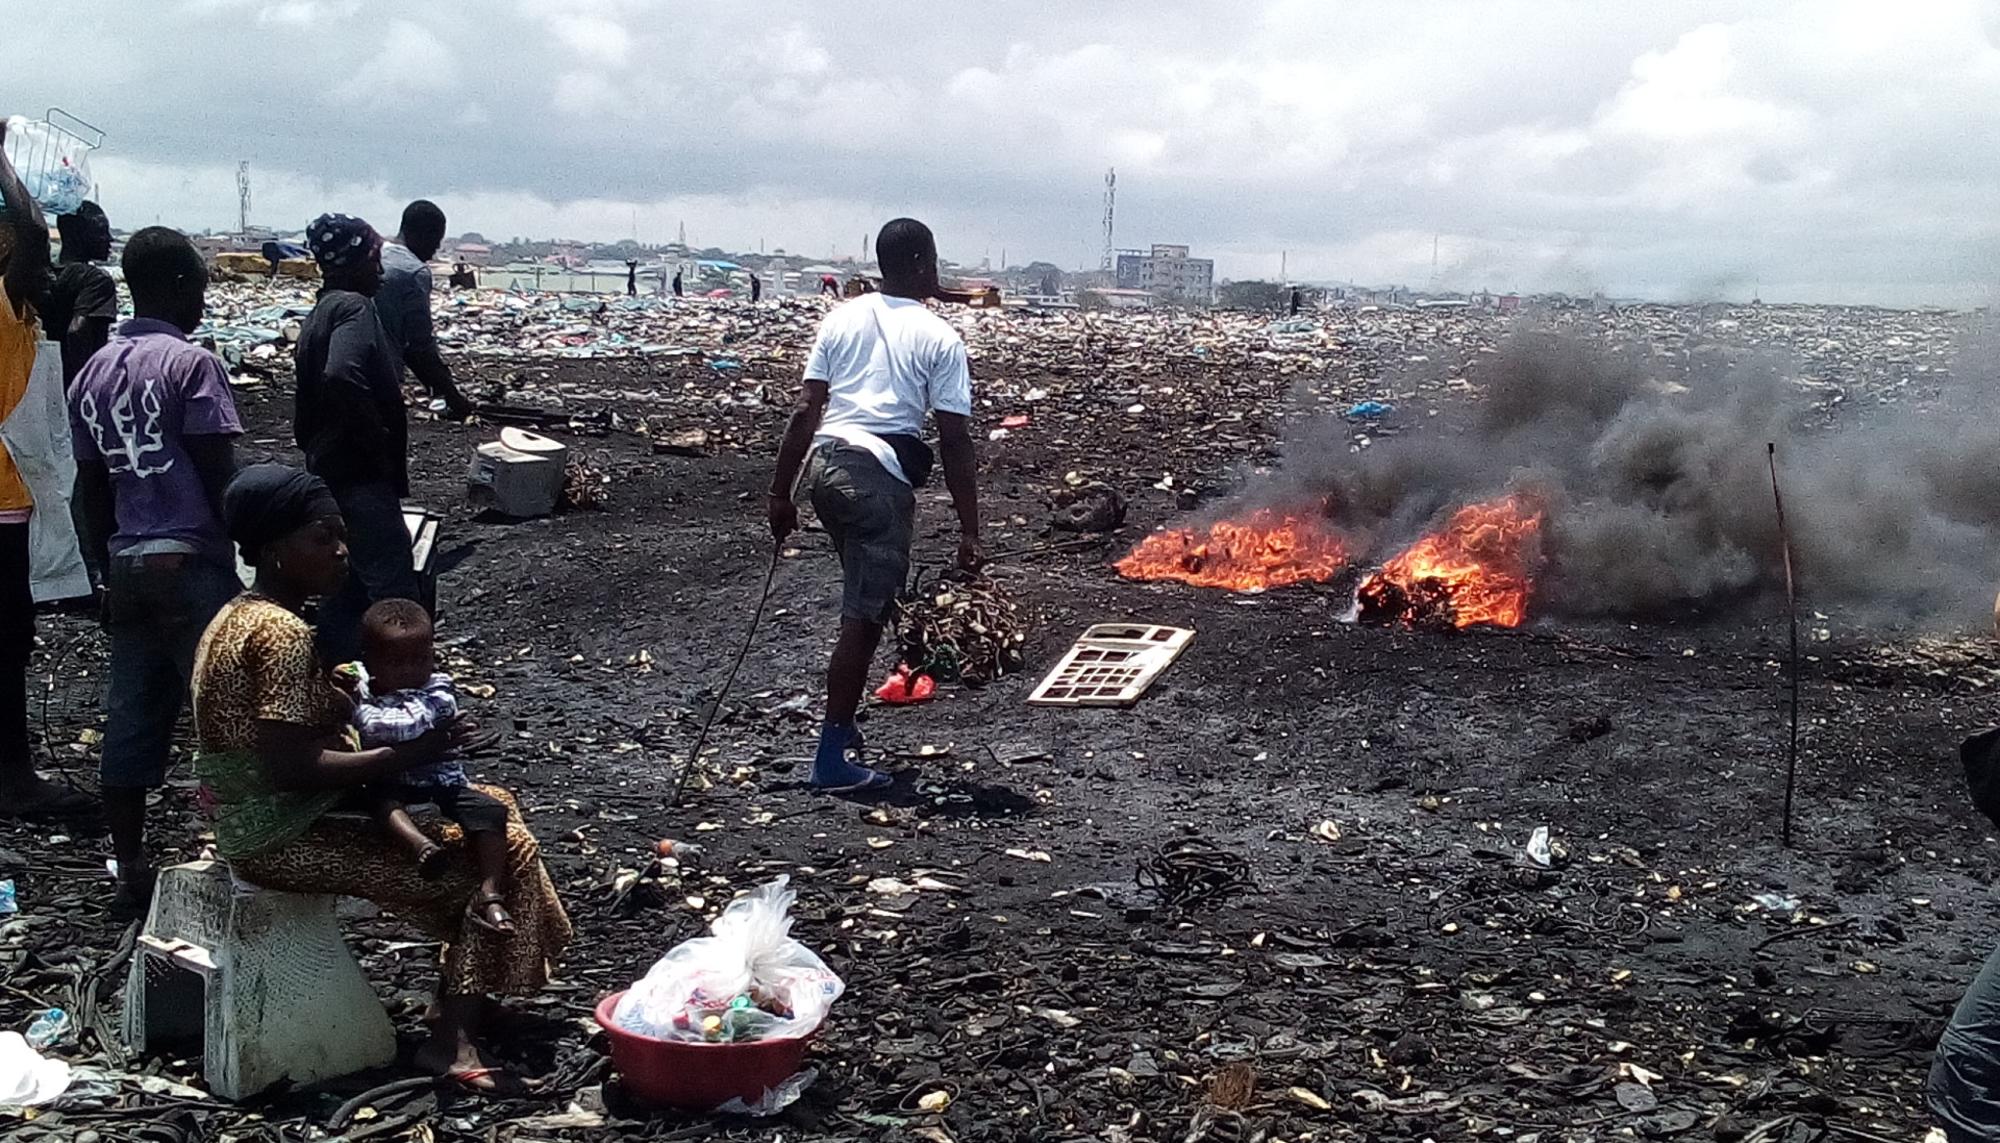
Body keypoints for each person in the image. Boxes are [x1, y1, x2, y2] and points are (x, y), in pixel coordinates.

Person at [193, 464, 571, 1090]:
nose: (341, 549)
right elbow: (293, 766)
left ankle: (471, 998)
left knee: (494, 806)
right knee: (488, 869)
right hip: (279, 834)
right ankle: (453, 1042)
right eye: (321, 537)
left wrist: (342, 698)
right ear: (273, 552)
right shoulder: (281, 632)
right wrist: (412, 753)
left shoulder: (237, 615)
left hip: (255, 816)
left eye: (340, 534)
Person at [767, 218, 980, 793]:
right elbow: (955, 440)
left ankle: (844, 736)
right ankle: (832, 755)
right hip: (876, 480)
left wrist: (780, 494)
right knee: (862, 621)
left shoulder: (841, 317)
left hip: (826, 468)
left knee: (865, 599)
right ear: (920, 265)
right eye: (932, 261)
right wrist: (970, 531)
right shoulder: (940, 338)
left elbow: (805, 411)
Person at [68, 226, 243, 914]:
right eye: (198, 288)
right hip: (190, 559)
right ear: (175, 287)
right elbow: (215, 471)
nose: (201, 302)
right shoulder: (191, 364)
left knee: (132, 713)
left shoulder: (90, 373)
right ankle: (238, 855)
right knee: (224, 715)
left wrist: (101, 570)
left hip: (128, 561)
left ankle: (131, 865)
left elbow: (91, 487)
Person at [0, 118, 90, 816]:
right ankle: (14, 777)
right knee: (7, 641)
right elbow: (32, 236)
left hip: (17, 493)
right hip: (6, 500)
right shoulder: (6, 308)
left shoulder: (19, 311)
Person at [296, 213, 421, 663]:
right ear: (355, 261)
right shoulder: (353, 307)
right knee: (395, 594)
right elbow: (341, 375)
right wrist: (377, 440)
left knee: (346, 589)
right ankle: (407, 705)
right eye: (374, 258)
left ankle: (332, 689)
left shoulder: (320, 310)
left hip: (328, 472)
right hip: (359, 477)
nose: (381, 271)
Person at [347, 598, 514, 933]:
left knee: (491, 812)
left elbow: (389, 727)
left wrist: (365, 710)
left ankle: (490, 891)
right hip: (392, 779)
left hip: (440, 780)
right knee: (381, 802)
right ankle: (420, 846)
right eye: (398, 662)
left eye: (420, 659)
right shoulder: (360, 686)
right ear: (372, 660)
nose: (411, 670)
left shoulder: (438, 690)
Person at [377, 201, 473, 419]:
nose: (435, 250)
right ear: (422, 234)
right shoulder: (413, 272)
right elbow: (419, 346)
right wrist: (453, 397)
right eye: (435, 241)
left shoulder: (370, 256)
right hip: (378, 376)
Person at [41, 201, 116, 389]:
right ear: (79, 235)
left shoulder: (42, 275)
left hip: (40, 381)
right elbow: (78, 331)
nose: (109, 238)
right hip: (74, 386)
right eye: (101, 231)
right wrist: (85, 386)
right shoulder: (96, 280)